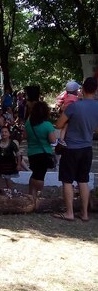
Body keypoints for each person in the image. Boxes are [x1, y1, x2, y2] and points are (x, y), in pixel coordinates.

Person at [54, 77, 98, 221]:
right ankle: (85, 214)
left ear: (82, 89)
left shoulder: (74, 106)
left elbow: (59, 124)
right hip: (87, 147)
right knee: (83, 180)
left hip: (71, 147)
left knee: (67, 181)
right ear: (96, 90)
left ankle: (69, 213)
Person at [25, 101, 56, 205]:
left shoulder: (28, 124)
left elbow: (25, 136)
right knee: (40, 175)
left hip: (32, 153)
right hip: (44, 153)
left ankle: (31, 195)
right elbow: (52, 140)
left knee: (35, 173)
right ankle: (37, 196)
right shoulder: (47, 125)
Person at [0, 125, 22, 195]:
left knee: (8, 178)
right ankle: (0, 191)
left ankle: (10, 191)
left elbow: (18, 155)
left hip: (9, 165)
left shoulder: (12, 144)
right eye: (2, 132)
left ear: (9, 134)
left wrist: (19, 164)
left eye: (5, 132)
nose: (4, 133)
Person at [55, 80, 80, 146]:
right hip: (71, 115)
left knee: (64, 128)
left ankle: (61, 139)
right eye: (77, 90)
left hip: (65, 114)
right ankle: (61, 140)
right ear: (75, 90)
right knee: (66, 127)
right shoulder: (75, 98)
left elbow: (59, 100)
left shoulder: (66, 96)